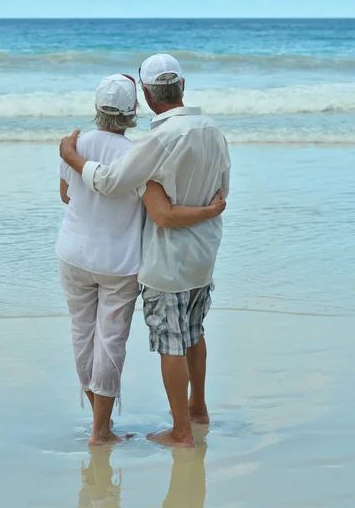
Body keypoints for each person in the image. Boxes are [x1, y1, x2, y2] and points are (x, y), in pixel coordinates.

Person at [60, 55, 231, 447]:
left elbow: (113, 183)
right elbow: (223, 189)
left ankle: (181, 432)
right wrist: (208, 211)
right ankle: (198, 409)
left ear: (150, 97)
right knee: (192, 333)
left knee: (169, 342)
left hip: (167, 259)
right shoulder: (213, 130)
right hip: (203, 252)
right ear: (182, 87)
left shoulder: (158, 142)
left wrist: (71, 156)